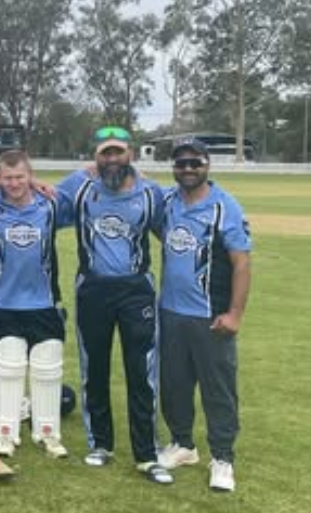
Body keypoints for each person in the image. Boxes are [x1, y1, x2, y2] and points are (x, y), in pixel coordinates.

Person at [57, 126, 173, 485]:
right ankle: (101, 444)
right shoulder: (81, 190)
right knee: (95, 369)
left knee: (141, 371)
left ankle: (147, 454)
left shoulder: (152, 194)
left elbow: (170, 233)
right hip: (92, 289)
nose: (111, 159)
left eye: (117, 152)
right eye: (104, 153)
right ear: (95, 157)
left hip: (136, 290)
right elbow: (35, 195)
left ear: (131, 154)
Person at [154, 137, 252, 492]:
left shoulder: (225, 207)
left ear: (207, 164)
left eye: (195, 163)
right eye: (181, 163)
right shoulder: (167, 201)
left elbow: (241, 264)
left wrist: (235, 314)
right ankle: (183, 444)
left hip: (210, 316)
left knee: (218, 389)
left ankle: (222, 458)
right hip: (170, 312)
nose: (188, 169)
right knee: (174, 384)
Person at [0, 150, 74, 459]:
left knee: (48, 368)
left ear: (30, 176)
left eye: (20, 177)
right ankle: (5, 434)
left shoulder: (51, 205)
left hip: (44, 301)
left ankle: (49, 434)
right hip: (4, 303)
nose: (14, 183)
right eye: (7, 178)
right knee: (8, 367)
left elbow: (89, 186)